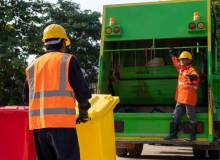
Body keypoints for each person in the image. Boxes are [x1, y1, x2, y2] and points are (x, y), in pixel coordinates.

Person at [22, 24, 92, 160]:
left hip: (39, 125)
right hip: (62, 124)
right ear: (63, 43)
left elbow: (26, 98)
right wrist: (83, 113)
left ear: (45, 45)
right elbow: (82, 93)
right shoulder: (68, 60)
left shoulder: (32, 65)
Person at [163, 47, 200, 142]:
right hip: (181, 98)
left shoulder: (191, 70)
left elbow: (196, 76)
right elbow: (176, 62)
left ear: (189, 60)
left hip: (189, 99)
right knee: (175, 116)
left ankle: (192, 136)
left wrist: (194, 77)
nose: (181, 61)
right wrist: (172, 54)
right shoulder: (181, 68)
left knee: (191, 116)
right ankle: (172, 135)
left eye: (183, 59)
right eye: (181, 59)